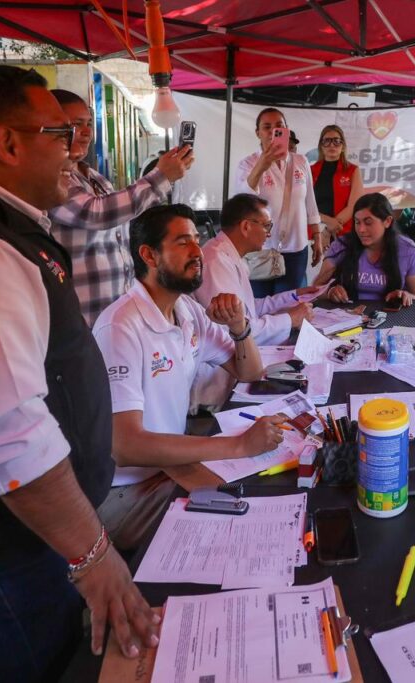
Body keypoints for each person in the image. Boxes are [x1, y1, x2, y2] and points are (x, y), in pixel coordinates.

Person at [0, 65, 157, 682]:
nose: (75, 149)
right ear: (8, 143)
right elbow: (7, 432)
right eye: (61, 135)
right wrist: (93, 556)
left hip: (33, 538)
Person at [92, 204, 287, 550]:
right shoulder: (120, 326)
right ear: (149, 255)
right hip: (124, 489)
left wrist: (239, 327)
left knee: (263, 496)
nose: (198, 251)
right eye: (183, 242)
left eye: (197, 240)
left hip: (170, 467)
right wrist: (238, 445)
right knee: (235, 533)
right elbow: (124, 446)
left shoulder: (187, 310)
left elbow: (251, 372)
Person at [49, 89, 194, 326]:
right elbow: (96, 214)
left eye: (88, 124)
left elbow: (123, 218)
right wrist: (160, 177)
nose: (86, 132)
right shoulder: (53, 176)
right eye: (76, 124)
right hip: (82, 317)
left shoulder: (94, 176)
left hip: (115, 314)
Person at [192, 193, 317, 408]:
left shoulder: (229, 255)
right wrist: (290, 319)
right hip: (220, 380)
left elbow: (249, 309)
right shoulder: (215, 261)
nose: (269, 233)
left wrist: (293, 295)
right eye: (267, 226)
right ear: (246, 227)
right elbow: (239, 326)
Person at [236, 107, 323, 296]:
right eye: (266, 127)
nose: (272, 131)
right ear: (258, 132)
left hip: (296, 246)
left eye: (279, 126)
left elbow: (310, 201)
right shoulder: (248, 164)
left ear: (287, 130)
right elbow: (243, 201)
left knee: (287, 302)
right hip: (261, 248)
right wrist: (262, 165)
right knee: (260, 305)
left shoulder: (301, 161)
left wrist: (317, 236)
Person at [317, 192, 415, 306]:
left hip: (392, 317)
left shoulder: (409, 251)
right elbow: (314, 290)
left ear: (387, 221)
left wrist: (408, 296)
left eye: (368, 222)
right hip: (347, 317)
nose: (361, 229)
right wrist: (329, 292)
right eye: (357, 222)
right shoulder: (341, 246)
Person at [310, 124, 363, 241]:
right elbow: (305, 205)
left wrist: (329, 229)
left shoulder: (353, 170)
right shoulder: (310, 170)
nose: (331, 145)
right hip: (315, 231)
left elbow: (354, 205)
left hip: (343, 232)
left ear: (343, 146)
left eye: (337, 141)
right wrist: (327, 221)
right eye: (326, 141)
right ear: (321, 146)